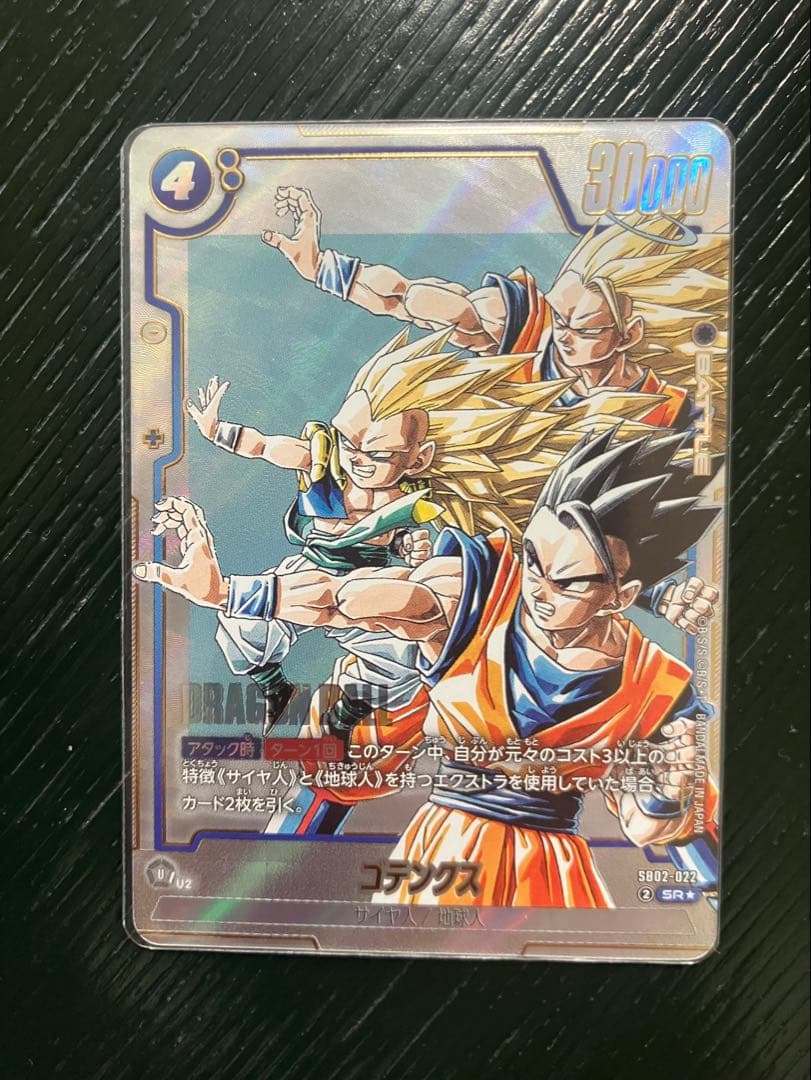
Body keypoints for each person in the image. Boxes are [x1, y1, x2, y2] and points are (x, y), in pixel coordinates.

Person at [133, 427, 721, 907]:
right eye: (533, 560)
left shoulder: (654, 682)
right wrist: (229, 593)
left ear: (622, 595)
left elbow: (644, 823)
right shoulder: (480, 589)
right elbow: (347, 599)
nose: (537, 589)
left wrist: (668, 799)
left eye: (566, 582)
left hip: (553, 880)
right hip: (442, 859)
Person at [262, 187, 728, 439]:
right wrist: (323, 269)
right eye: (562, 321)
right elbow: (407, 299)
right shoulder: (528, 334)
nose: (564, 336)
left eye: (585, 329)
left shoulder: (669, 407)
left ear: (628, 335)